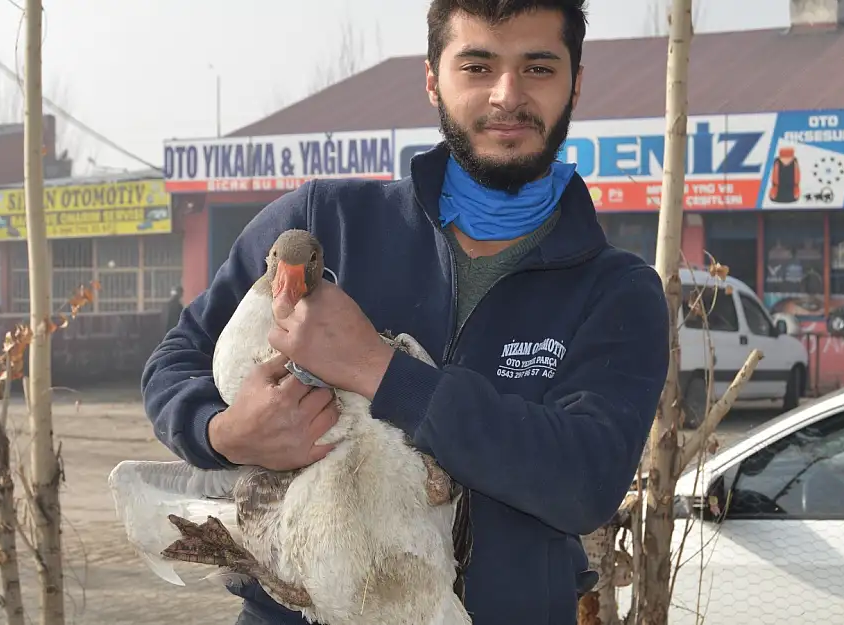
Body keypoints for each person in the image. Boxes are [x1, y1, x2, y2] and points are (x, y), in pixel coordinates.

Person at [141, 1, 670, 623]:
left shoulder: (617, 290)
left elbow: (583, 482)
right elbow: (176, 361)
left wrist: (379, 369)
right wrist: (222, 433)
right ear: (431, 79)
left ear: (575, 83)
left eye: (538, 68)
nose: (507, 95)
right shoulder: (323, 222)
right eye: (476, 66)